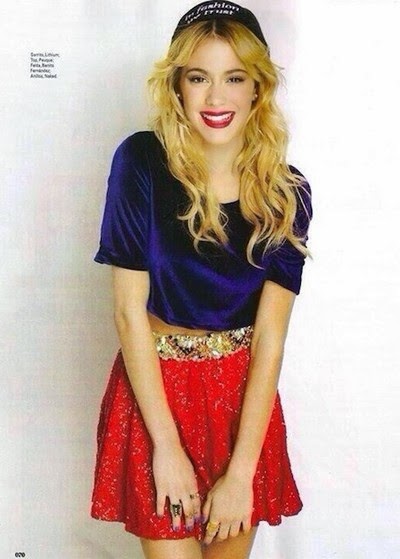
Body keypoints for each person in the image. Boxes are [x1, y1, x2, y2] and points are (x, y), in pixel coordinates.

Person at [90, 2, 312, 559]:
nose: (216, 98)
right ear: (177, 86)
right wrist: (165, 447)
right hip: (156, 394)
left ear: (257, 88)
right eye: (198, 77)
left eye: (234, 78)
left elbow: (270, 338)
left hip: (243, 405)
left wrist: (241, 472)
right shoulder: (141, 162)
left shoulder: (287, 193)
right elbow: (129, 314)